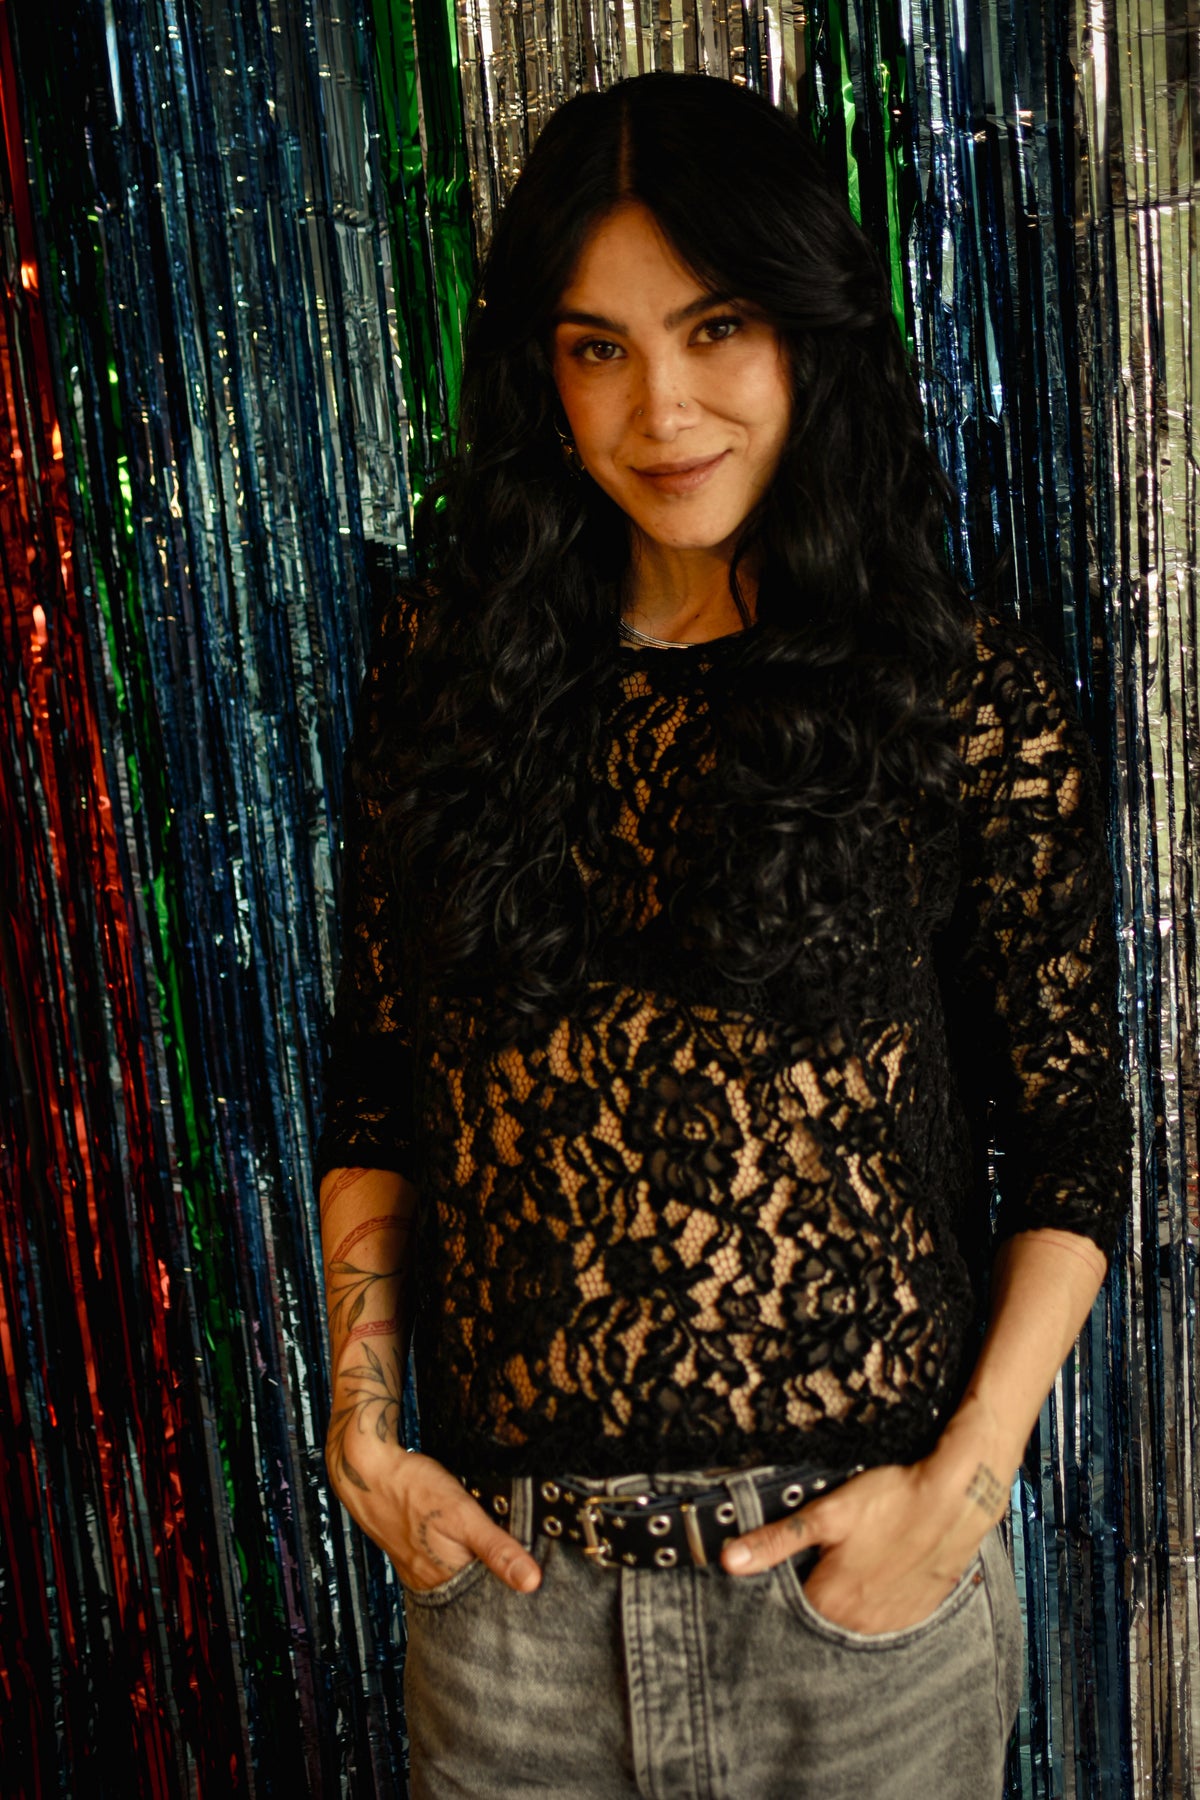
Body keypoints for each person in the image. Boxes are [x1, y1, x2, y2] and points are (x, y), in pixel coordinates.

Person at [314, 71, 1130, 1800]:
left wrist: (963, 1489)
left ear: (805, 334)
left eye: (715, 329)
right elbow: (379, 1083)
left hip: (857, 1621)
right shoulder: (448, 679)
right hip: (514, 1622)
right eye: (597, 347)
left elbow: (1070, 1136)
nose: (661, 408)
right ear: (541, 373)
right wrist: (362, 1426)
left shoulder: (952, 690)